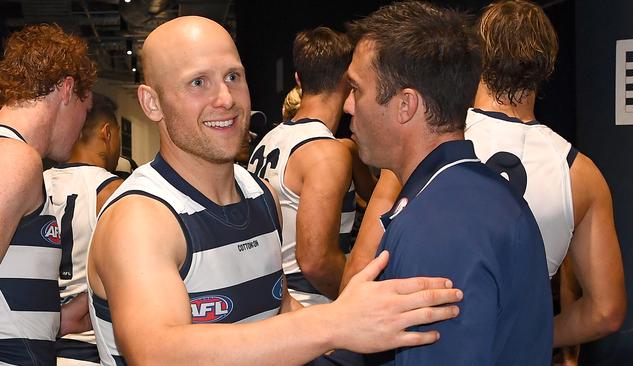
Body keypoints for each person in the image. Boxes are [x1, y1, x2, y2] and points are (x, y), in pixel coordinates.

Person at [86, 16, 463, 365]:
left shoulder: (260, 195)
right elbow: (157, 354)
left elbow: (276, 308)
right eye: (198, 82)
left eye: (233, 77)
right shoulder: (140, 219)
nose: (226, 99)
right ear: (152, 103)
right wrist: (333, 323)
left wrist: (368, 321)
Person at [343, 2, 552, 364]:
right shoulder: (469, 192)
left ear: (405, 105)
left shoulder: (439, 227)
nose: (347, 105)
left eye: (356, 89)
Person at [467, 0, 625, 348]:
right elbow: (606, 311)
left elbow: (362, 268)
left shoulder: (427, 139)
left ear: (477, 56)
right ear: (547, 66)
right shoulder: (581, 174)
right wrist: (526, 338)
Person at [0, 23, 96, 365]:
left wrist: (57, 318)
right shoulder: (15, 157)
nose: (82, 128)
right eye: (85, 112)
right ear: (67, 90)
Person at [248, 27, 356, 305]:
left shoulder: (267, 141)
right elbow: (315, 261)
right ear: (349, 79)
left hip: (271, 299)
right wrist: (356, 302)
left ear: (298, 79)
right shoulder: (326, 151)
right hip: (311, 308)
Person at [43, 93, 123, 365]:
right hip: (90, 347)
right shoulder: (113, 192)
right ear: (107, 133)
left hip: (37, 344)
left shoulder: (34, 182)